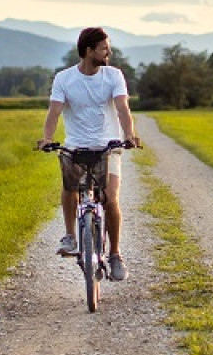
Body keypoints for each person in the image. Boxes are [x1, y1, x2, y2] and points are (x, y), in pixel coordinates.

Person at [39, 27, 143, 280]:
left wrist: (128, 134)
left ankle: (115, 254)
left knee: (110, 198)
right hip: (76, 145)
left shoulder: (113, 76)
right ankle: (70, 236)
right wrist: (48, 139)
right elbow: (54, 111)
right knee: (70, 186)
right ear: (89, 51)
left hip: (108, 146)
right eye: (104, 48)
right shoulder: (64, 79)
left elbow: (122, 108)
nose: (109, 52)